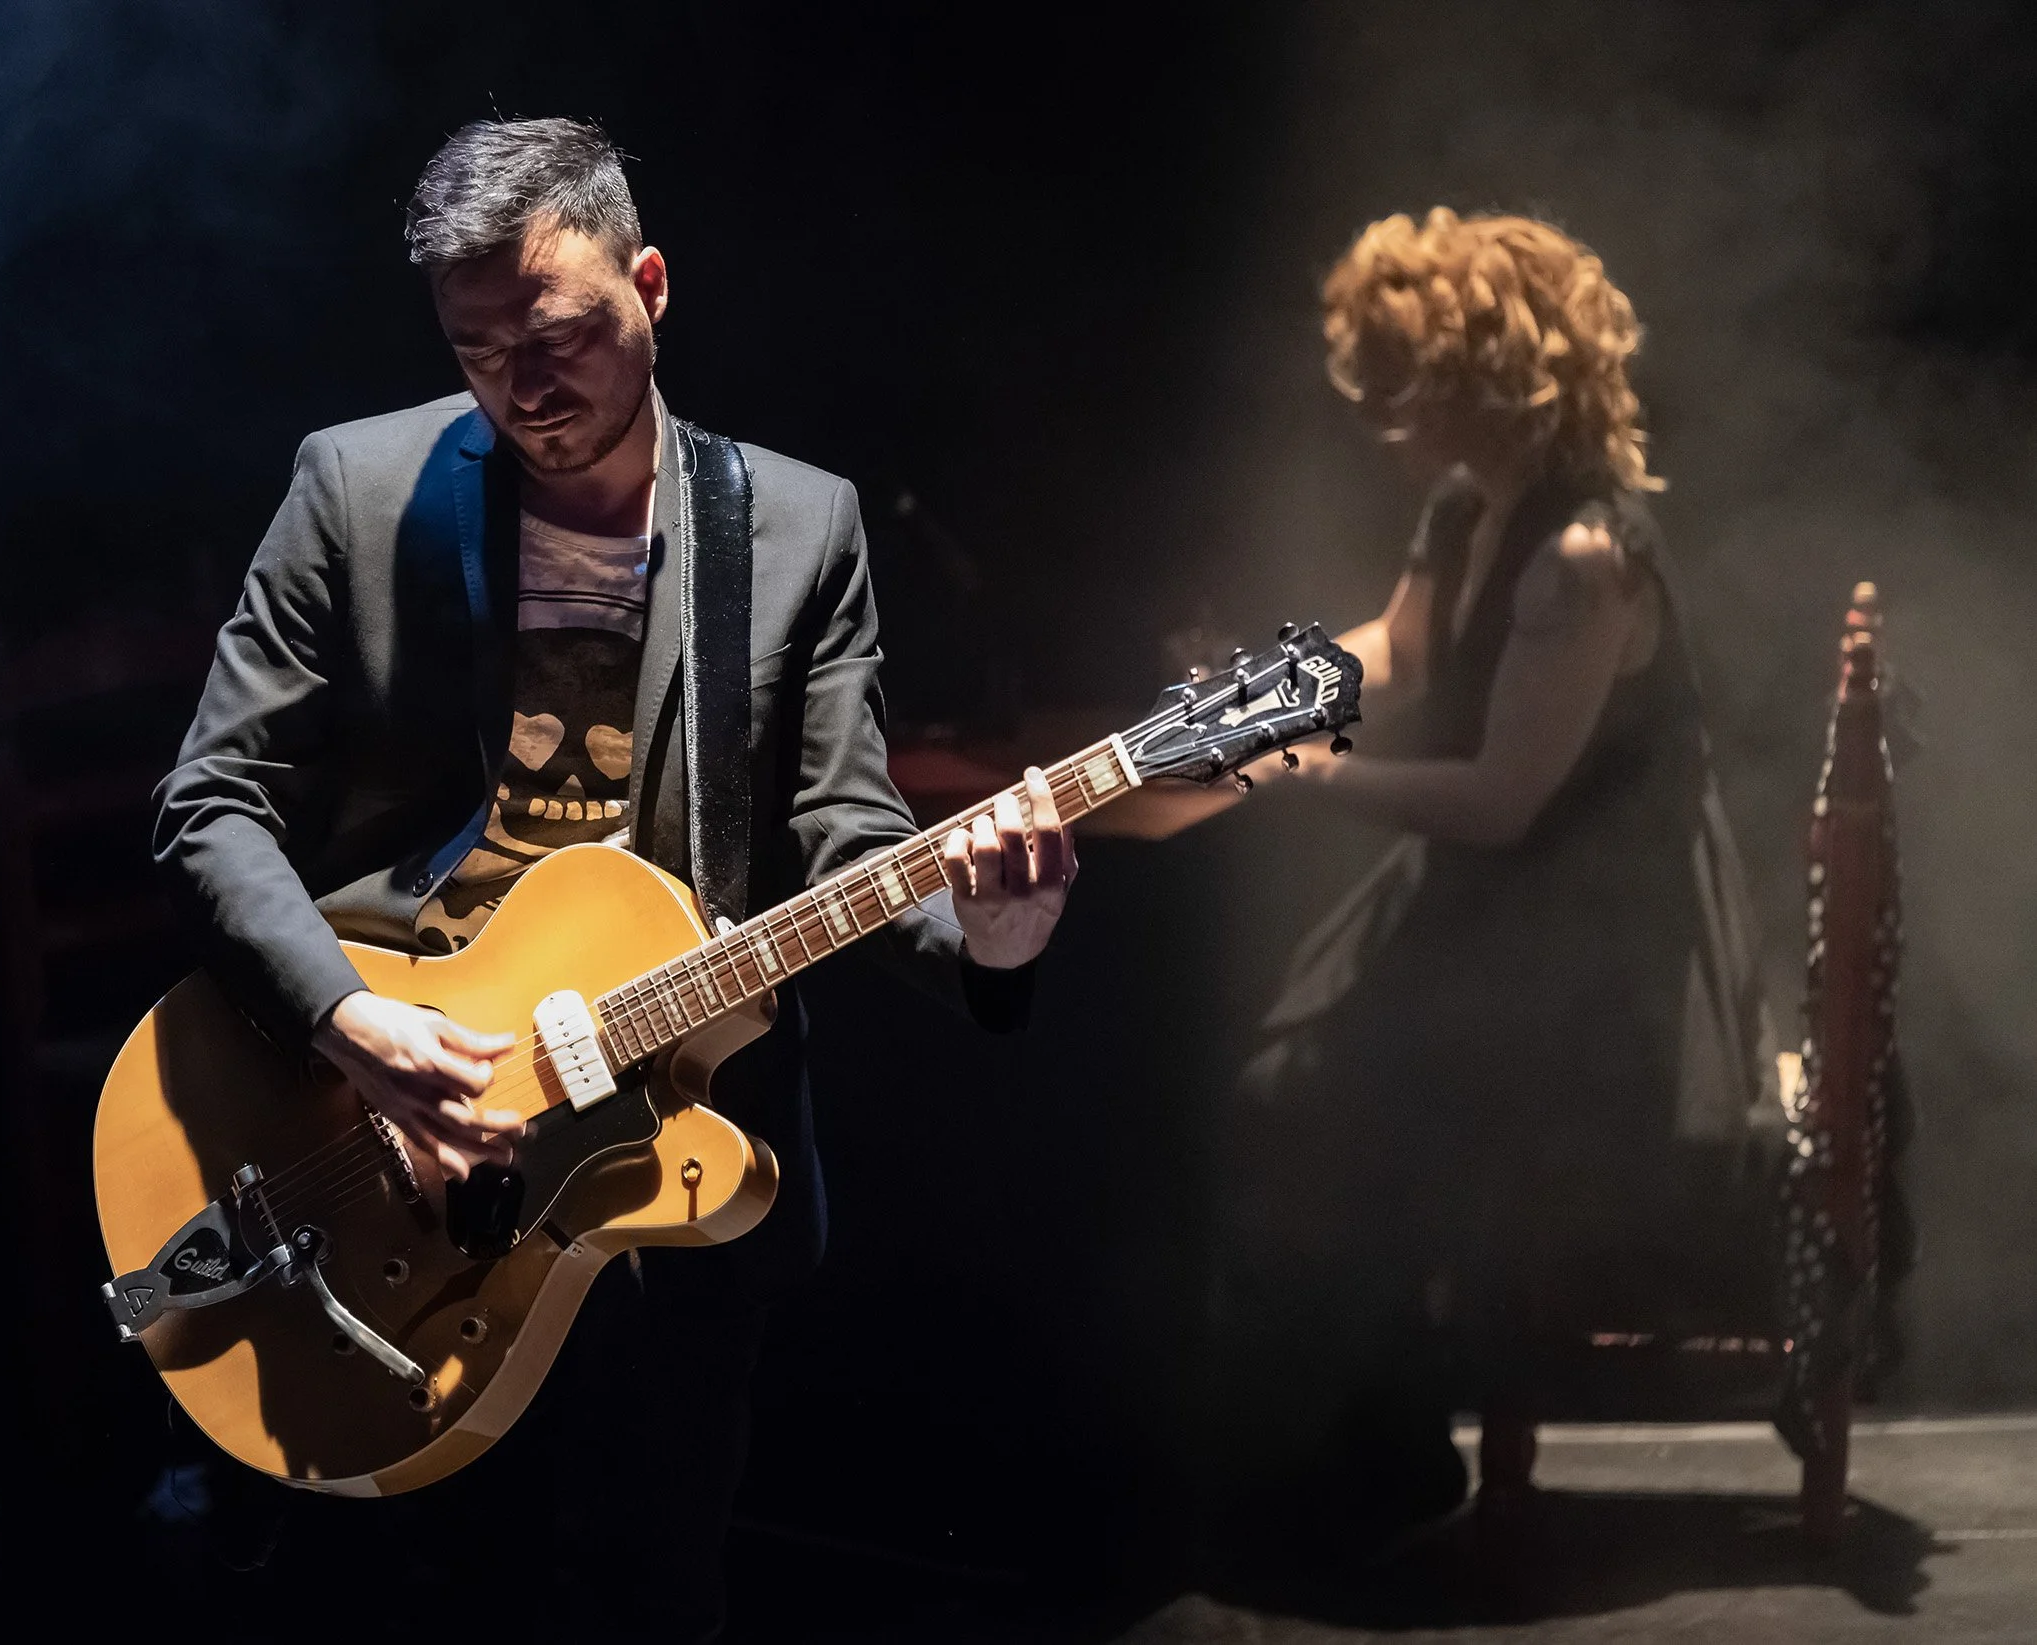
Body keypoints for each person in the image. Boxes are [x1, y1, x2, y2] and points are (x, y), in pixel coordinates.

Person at [149, 117, 1075, 1638]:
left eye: (559, 336)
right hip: (373, 1139)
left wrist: (989, 935)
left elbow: (848, 840)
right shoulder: (356, 491)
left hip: (663, 1162)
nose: (523, 387)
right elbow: (208, 805)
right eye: (477, 352)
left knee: (651, 1594)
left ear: (649, 284)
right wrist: (348, 1024)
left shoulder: (792, 528)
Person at [1126, 208, 1773, 1542]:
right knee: (1288, 1087)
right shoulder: (1468, 501)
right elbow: (1405, 650)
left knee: (1323, 1105)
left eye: (1403, 388)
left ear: (1488, 381)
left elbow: (1499, 800)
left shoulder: (1582, 561)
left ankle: (1365, 1455)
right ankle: (1361, 1442)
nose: (1382, 421)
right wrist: (1257, 699)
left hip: (1591, 935)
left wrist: (1294, 771)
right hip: (1499, 896)